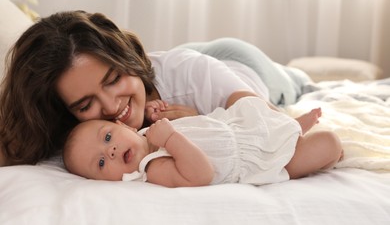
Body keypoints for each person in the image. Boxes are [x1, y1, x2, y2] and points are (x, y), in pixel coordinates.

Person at [0, 10, 304, 166]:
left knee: (296, 82)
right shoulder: (73, 129)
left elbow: (276, 129)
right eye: (84, 104)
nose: (110, 106)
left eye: (113, 79)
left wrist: (206, 120)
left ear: (127, 59)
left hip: (240, 63)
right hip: (174, 62)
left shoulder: (192, 74)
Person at [63, 97, 343, 187]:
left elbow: (196, 125)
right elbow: (200, 174)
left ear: (121, 124)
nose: (110, 150)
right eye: (101, 162)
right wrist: (171, 138)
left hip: (238, 130)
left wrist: (162, 115)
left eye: (108, 137)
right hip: (249, 163)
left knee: (265, 116)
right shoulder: (152, 168)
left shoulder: (148, 133)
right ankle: (321, 149)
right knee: (328, 142)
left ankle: (292, 127)